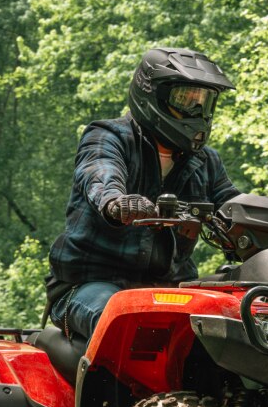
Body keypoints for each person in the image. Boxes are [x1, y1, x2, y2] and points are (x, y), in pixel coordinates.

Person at [45, 47, 241, 341]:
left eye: (204, 102)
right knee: (127, 323)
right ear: (153, 95)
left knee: (232, 327)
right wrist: (115, 202)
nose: (197, 112)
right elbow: (99, 172)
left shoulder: (206, 161)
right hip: (91, 285)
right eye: (185, 100)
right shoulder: (108, 136)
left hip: (171, 288)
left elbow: (233, 206)